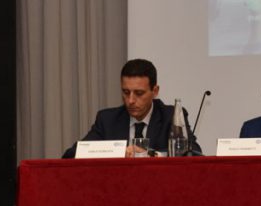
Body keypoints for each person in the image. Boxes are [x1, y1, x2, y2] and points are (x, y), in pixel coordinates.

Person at [62, 59, 201, 159]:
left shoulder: (171, 116)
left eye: (139, 93)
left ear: (155, 91)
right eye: (126, 92)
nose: (130, 100)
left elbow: (194, 154)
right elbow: (70, 155)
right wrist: (117, 152)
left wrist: (151, 154)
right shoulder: (108, 120)